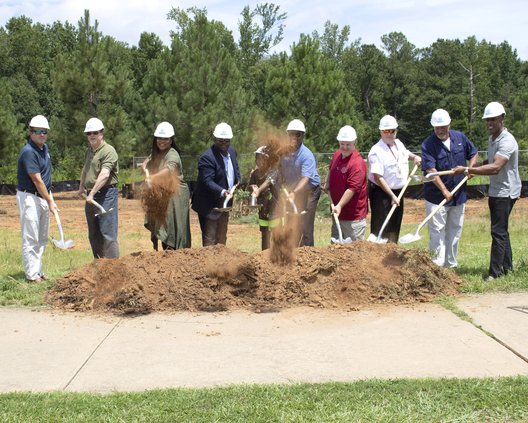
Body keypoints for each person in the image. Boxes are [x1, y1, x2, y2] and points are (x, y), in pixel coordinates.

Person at [453, 102, 521, 280]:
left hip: (505, 192)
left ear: (502, 119)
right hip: (496, 190)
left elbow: (496, 167)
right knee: (502, 230)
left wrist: (468, 170)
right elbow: (490, 162)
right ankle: (507, 267)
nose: (489, 123)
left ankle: (494, 273)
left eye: (493, 119)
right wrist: (475, 167)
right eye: (487, 119)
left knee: (497, 232)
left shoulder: (507, 141)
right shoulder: (493, 139)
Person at [421, 109, 478, 268]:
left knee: (454, 231)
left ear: (449, 124)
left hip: (459, 195)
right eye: (436, 127)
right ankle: (437, 267)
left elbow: (473, 153)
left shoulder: (460, 137)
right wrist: (444, 191)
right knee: (437, 232)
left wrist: (471, 169)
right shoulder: (428, 144)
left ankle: (451, 265)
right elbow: (431, 171)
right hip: (436, 198)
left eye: (443, 126)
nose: (440, 130)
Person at [16, 115, 58, 283]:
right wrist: (50, 201)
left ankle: (38, 271)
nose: (41, 134)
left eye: (44, 131)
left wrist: (50, 198)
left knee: (41, 237)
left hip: (42, 196)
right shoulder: (28, 152)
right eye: (38, 131)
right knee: (31, 237)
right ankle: (32, 275)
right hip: (30, 197)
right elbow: (37, 179)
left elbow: (46, 178)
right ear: (31, 133)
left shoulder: (44, 149)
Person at [368, 115, 421, 243]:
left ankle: (392, 253)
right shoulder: (376, 151)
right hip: (382, 193)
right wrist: (391, 196)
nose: (389, 134)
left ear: (396, 131)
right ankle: (377, 256)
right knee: (381, 227)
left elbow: (405, 153)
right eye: (386, 131)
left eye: (392, 131)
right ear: (381, 132)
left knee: (394, 226)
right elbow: (378, 177)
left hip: (399, 192)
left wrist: (414, 157)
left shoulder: (398, 143)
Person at [142, 122, 191, 250]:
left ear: (171, 140)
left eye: (165, 138)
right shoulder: (157, 153)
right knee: (163, 226)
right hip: (164, 195)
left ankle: (175, 255)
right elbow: (149, 160)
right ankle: (167, 255)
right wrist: (146, 164)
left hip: (176, 196)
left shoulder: (172, 154)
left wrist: (152, 177)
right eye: (159, 138)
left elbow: (169, 170)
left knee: (172, 228)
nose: (162, 141)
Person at [191, 122, 241, 246]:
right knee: (210, 240)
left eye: (227, 141)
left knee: (221, 238)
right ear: (214, 139)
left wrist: (238, 179)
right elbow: (207, 181)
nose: (224, 144)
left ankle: (221, 264)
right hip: (209, 205)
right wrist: (223, 191)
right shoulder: (207, 158)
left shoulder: (232, 152)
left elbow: (235, 168)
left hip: (223, 204)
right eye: (221, 141)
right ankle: (209, 265)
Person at [78, 117, 119, 259]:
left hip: (106, 195)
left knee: (108, 233)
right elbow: (85, 169)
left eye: (95, 132)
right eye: (89, 133)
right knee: (94, 234)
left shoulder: (109, 151)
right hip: (91, 196)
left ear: (102, 133)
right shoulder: (89, 151)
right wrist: (81, 186)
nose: (92, 136)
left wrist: (92, 193)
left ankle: (113, 268)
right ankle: (99, 265)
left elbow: (105, 174)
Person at [279, 119, 321, 247]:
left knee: (305, 225)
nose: (294, 137)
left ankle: (309, 255)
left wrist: (293, 192)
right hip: (294, 190)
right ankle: (293, 252)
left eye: (297, 134)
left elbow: (305, 179)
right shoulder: (283, 152)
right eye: (291, 134)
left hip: (310, 191)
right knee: (292, 222)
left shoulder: (306, 155)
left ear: (302, 136)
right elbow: (279, 167)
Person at [324, 125, 368, 242]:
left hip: (353, 218)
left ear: (354, 143)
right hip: (338, 213)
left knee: (354, 253)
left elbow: (352, 189)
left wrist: (339, 205)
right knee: (336, 249)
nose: (344, 147)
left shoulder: (357, 163)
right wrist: (327, 183)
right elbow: (331, 169)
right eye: (342, 144)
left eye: (348, 144)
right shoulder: (337, 154)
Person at [248, 146, 280, 250]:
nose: (259, 161)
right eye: (257, 158)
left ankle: (277, 256)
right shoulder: (255, 173)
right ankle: (264, 257)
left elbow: (268, 182)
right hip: (263, 209)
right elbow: (249, 186)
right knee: (265, 233)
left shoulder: (274, 171)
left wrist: (258, 190)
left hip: (275, 208)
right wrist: (252, 187)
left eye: (262, 158)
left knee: (276, 234)